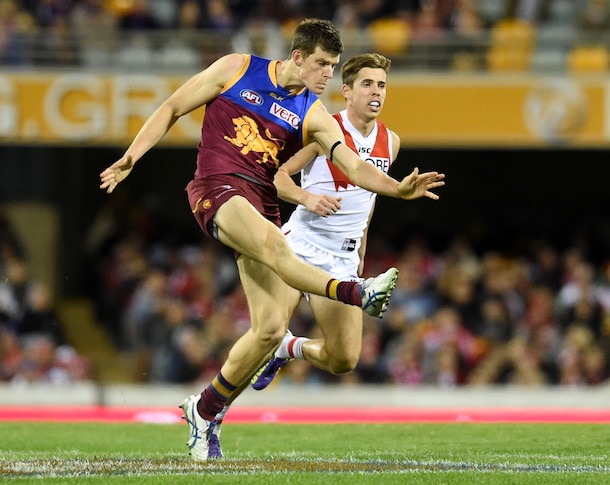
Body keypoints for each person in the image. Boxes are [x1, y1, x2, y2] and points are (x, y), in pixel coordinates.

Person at [98, 19, 445, 461]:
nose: (326, 75)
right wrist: (131, 156)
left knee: (268, 331)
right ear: (297, 57)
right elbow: (172, 107)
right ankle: (354, 292)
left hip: (262, 205)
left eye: (333, 66)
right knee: (278, 247)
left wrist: (397, 188)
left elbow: (355, 168)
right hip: (218, 187)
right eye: (321, 64)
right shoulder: (236, 68)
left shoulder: (313, 114)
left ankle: (204, 411)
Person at [205, 52, 407, 458]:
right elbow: (275, 176)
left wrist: (359, 258)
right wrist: (306, 197)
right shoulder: (323, 128)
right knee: (266, 329)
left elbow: (366, 207)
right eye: (367, 84)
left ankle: (289, 350)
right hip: (300, 245)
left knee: (343, 360)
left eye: (381, 85)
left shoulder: (391, 141)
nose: (376, 92)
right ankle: (210, 417)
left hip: (342, 258)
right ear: (346, 91)